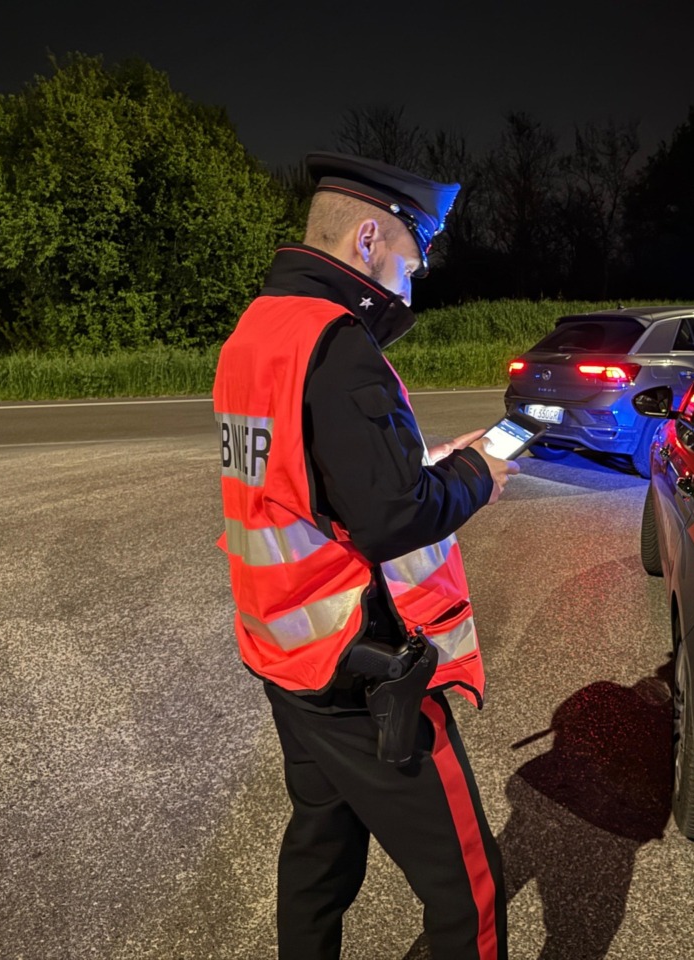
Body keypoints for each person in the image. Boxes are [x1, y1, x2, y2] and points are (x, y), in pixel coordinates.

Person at [212, 151, 516, 960]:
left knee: (321, 851)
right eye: (412, 266)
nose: (410, 289)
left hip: (284, 650)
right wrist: (477, 476)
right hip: (358, 669)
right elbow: (390, 518)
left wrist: (432, 460)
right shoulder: (337, 342)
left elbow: (313, 480)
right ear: (370, 239)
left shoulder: (257, 330)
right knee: (469, 895)